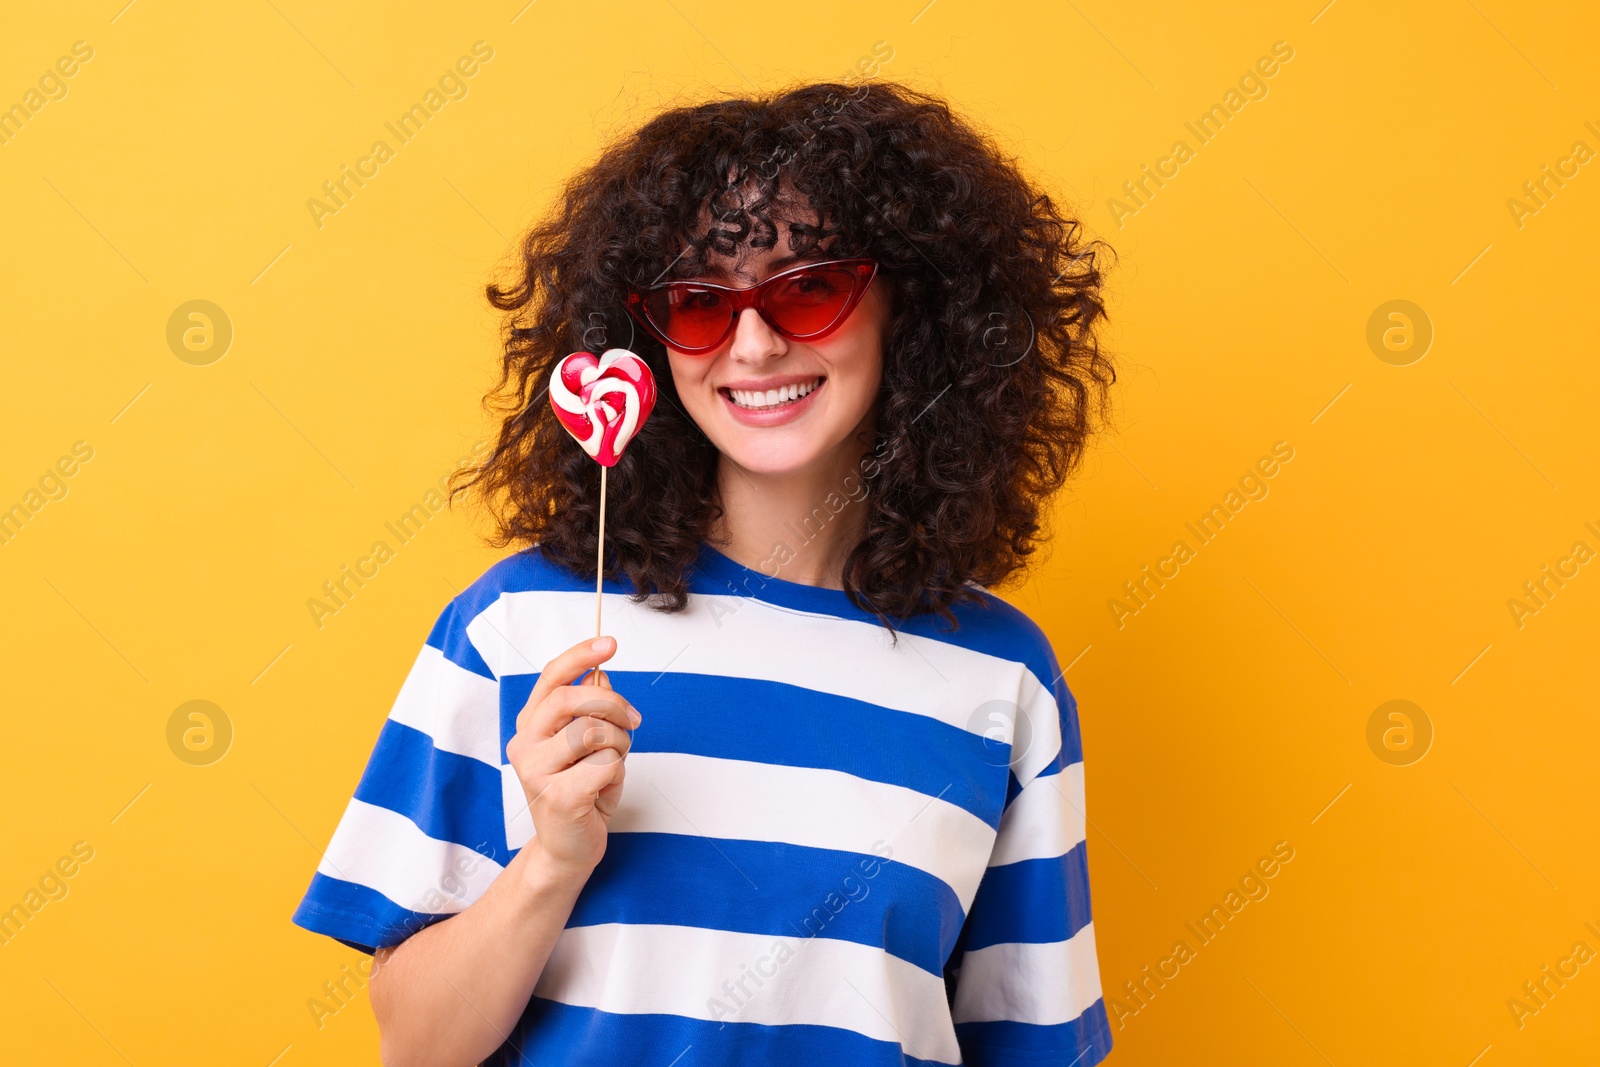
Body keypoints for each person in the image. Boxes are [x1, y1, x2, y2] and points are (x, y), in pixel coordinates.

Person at [291, 79, 1116, 1067]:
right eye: (700, 303)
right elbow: (414, 1048)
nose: (755, 343)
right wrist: (553, 859)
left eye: (808, 286)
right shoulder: (515, 627)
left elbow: (1030, 1047)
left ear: (914, 304)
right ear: (647, 338)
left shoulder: (1004, 677)